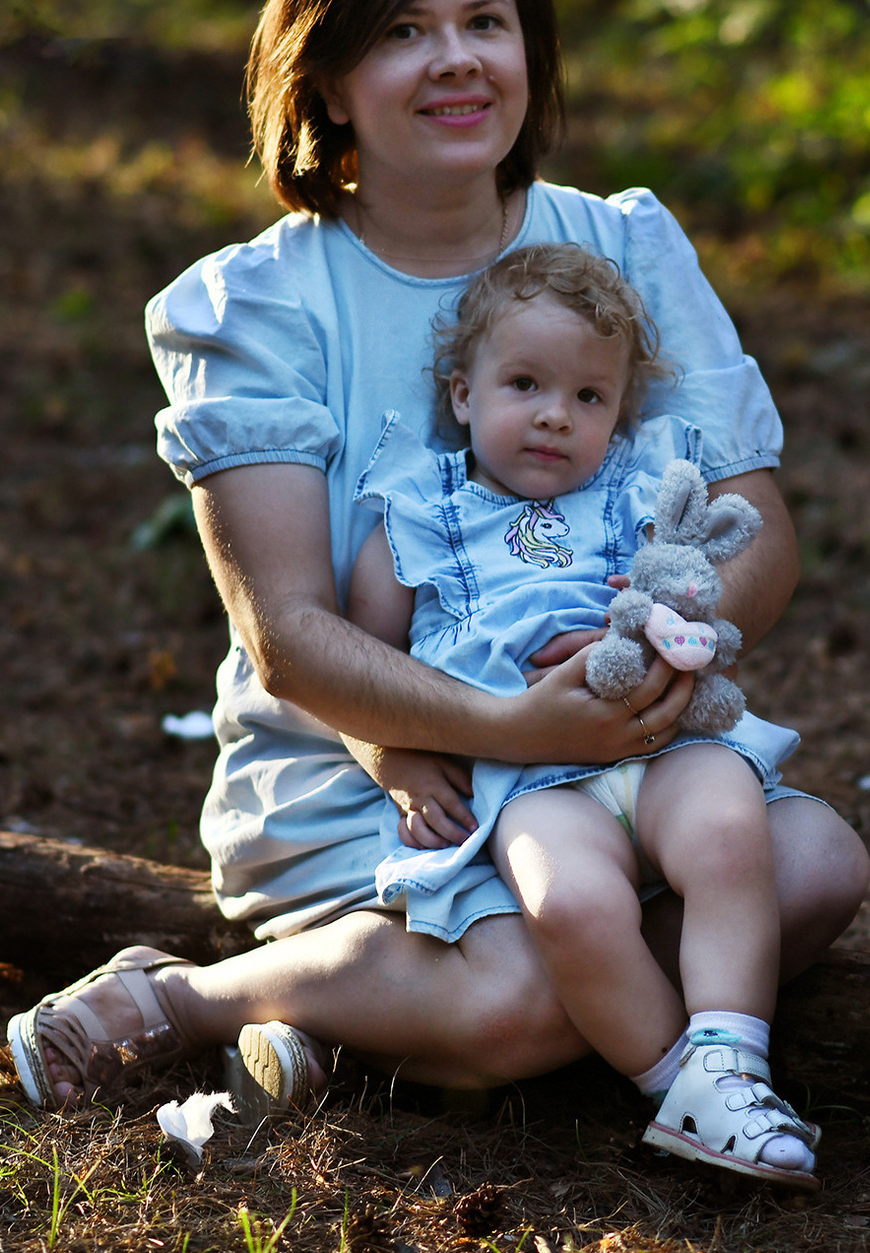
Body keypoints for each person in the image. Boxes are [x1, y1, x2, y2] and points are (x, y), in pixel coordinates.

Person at [3, 0, 868, 1116]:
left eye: (485, 23)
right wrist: (515, 727)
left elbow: (756, 534)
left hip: (619, 750)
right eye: (402, 31)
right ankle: (196, 995)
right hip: (385, 774)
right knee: (511, 996)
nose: (454, 60)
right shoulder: (257, 305)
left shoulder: (623, 249)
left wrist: (651, 649)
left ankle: (348, 1030)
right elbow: (289, 634)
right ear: (328, 77)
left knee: (823, 860)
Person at [344, 243, 819, 1186]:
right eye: (525, 384)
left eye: (589, 398)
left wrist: (678, 621)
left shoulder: (644, 494)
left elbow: (700, 590)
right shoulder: (413, 510)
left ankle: (732, 1059)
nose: (557, 415)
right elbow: (363, 668)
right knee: (572, 904)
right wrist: (388, 758)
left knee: (731, 835)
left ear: (620, 414)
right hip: (530, 773)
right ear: (462, 394)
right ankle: (680, 1088)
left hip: (661, 736)